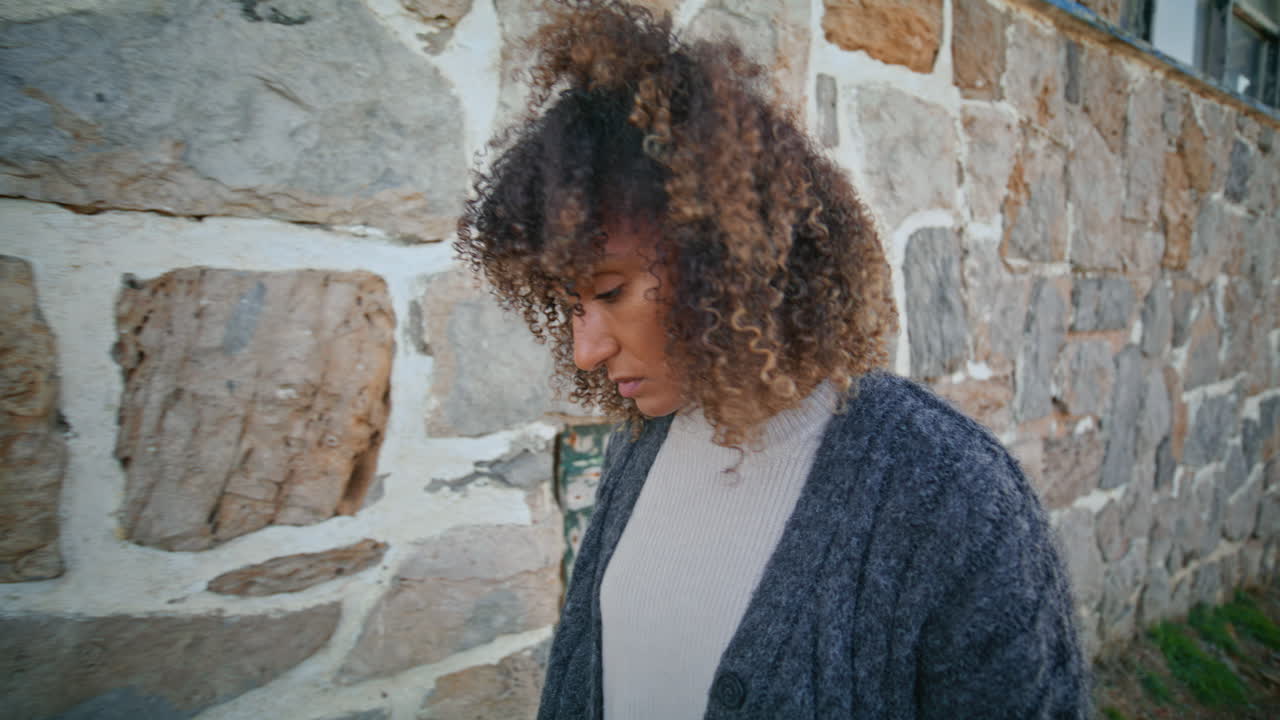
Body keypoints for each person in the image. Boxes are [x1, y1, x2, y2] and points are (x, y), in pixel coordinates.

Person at [456, 2, 1087, 718]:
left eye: (610, 291)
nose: (586, 350)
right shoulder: (642, 442)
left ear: (727, 258)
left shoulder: (955, 500)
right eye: (573, 306)